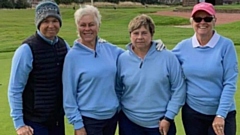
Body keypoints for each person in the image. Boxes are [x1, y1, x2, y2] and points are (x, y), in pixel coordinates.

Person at [172, 2, 238, 135]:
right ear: (192, 21)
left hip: (222, 113)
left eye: (207, 19)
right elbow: (165, 62)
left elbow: (230, 83)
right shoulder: (182, 47)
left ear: (214, 21)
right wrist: (154, 46)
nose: (202, 22)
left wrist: (220, 115)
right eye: (198, 19)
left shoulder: (226, 45)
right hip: (193, 113)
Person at [116, 14, 186, 135]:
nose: (139, 37)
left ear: (152, 35)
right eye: (135, 33)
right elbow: (117, 88)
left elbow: (179, 89)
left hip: (161, 123)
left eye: (144, 33)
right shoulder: (122, 59)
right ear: (130, 35)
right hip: (129, 122)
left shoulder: (168, 57)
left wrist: (168, 117)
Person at [8, 1, 70, 135]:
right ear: (38, 23)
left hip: (57, 119)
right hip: (34, 122)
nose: (51, 25)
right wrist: (19, 124)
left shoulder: (64, 45)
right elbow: (15, 89)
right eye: (46, 21)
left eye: (55, 20)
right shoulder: (26, 50)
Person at [62, 5, 124, 135]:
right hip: (88, 121)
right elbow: (69, 96)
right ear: (77, 27)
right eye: (82, 25)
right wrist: (78, 125)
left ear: (98, 26)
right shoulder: (72, 56)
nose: (87, 29)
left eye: (91, 24)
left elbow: (135, 55)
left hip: (111, 117)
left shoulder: (110, 49)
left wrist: (153, 45)